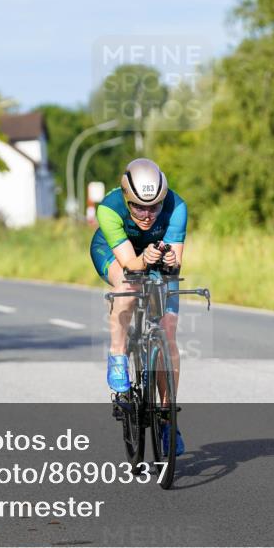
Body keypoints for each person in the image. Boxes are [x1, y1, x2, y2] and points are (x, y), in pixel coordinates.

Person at [89, 158, 187, 455]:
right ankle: (118, 355)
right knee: (129, 286)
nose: (147, 215)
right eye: (139, 207)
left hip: (152, 256)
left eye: (154, 207)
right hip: (115, 253)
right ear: (126, 197)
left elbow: (176, 263)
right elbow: (132, 264)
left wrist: (170, 261)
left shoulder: (177, 207)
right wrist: (143, 260)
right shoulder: (108, 208)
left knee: (168, 331)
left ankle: (168, 419)